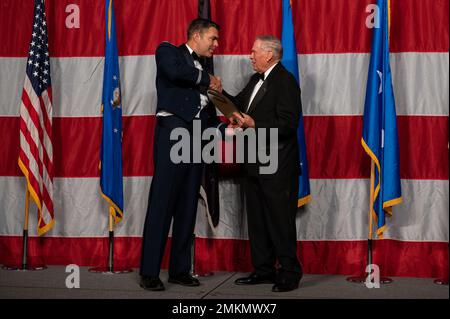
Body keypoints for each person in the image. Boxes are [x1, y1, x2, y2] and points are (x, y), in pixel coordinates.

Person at [139, 18, 224, 291]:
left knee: (188, 204)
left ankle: (179, 269)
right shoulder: (169, 51)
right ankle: (149, 272)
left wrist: (228, 124)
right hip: (174, 130)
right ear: (196, 36)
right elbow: (174, 72)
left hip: (198, 137)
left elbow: (209, 113)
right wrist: (207, 79)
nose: (216, 44)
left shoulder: (204, 69)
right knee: (162, 202)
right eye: (212, 38)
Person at [224, 35, 303, 292]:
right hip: (253, 163)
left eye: (254, 51)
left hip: (278, 165)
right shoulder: (255, 80)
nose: (250, 55)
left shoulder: (286, 81)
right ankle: (264, 269)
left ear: (269, 54)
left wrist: (253, 124)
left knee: (280, 221)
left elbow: (289, 125)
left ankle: (290, 273)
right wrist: (217, 91)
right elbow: (237, 105)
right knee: (257, 220)